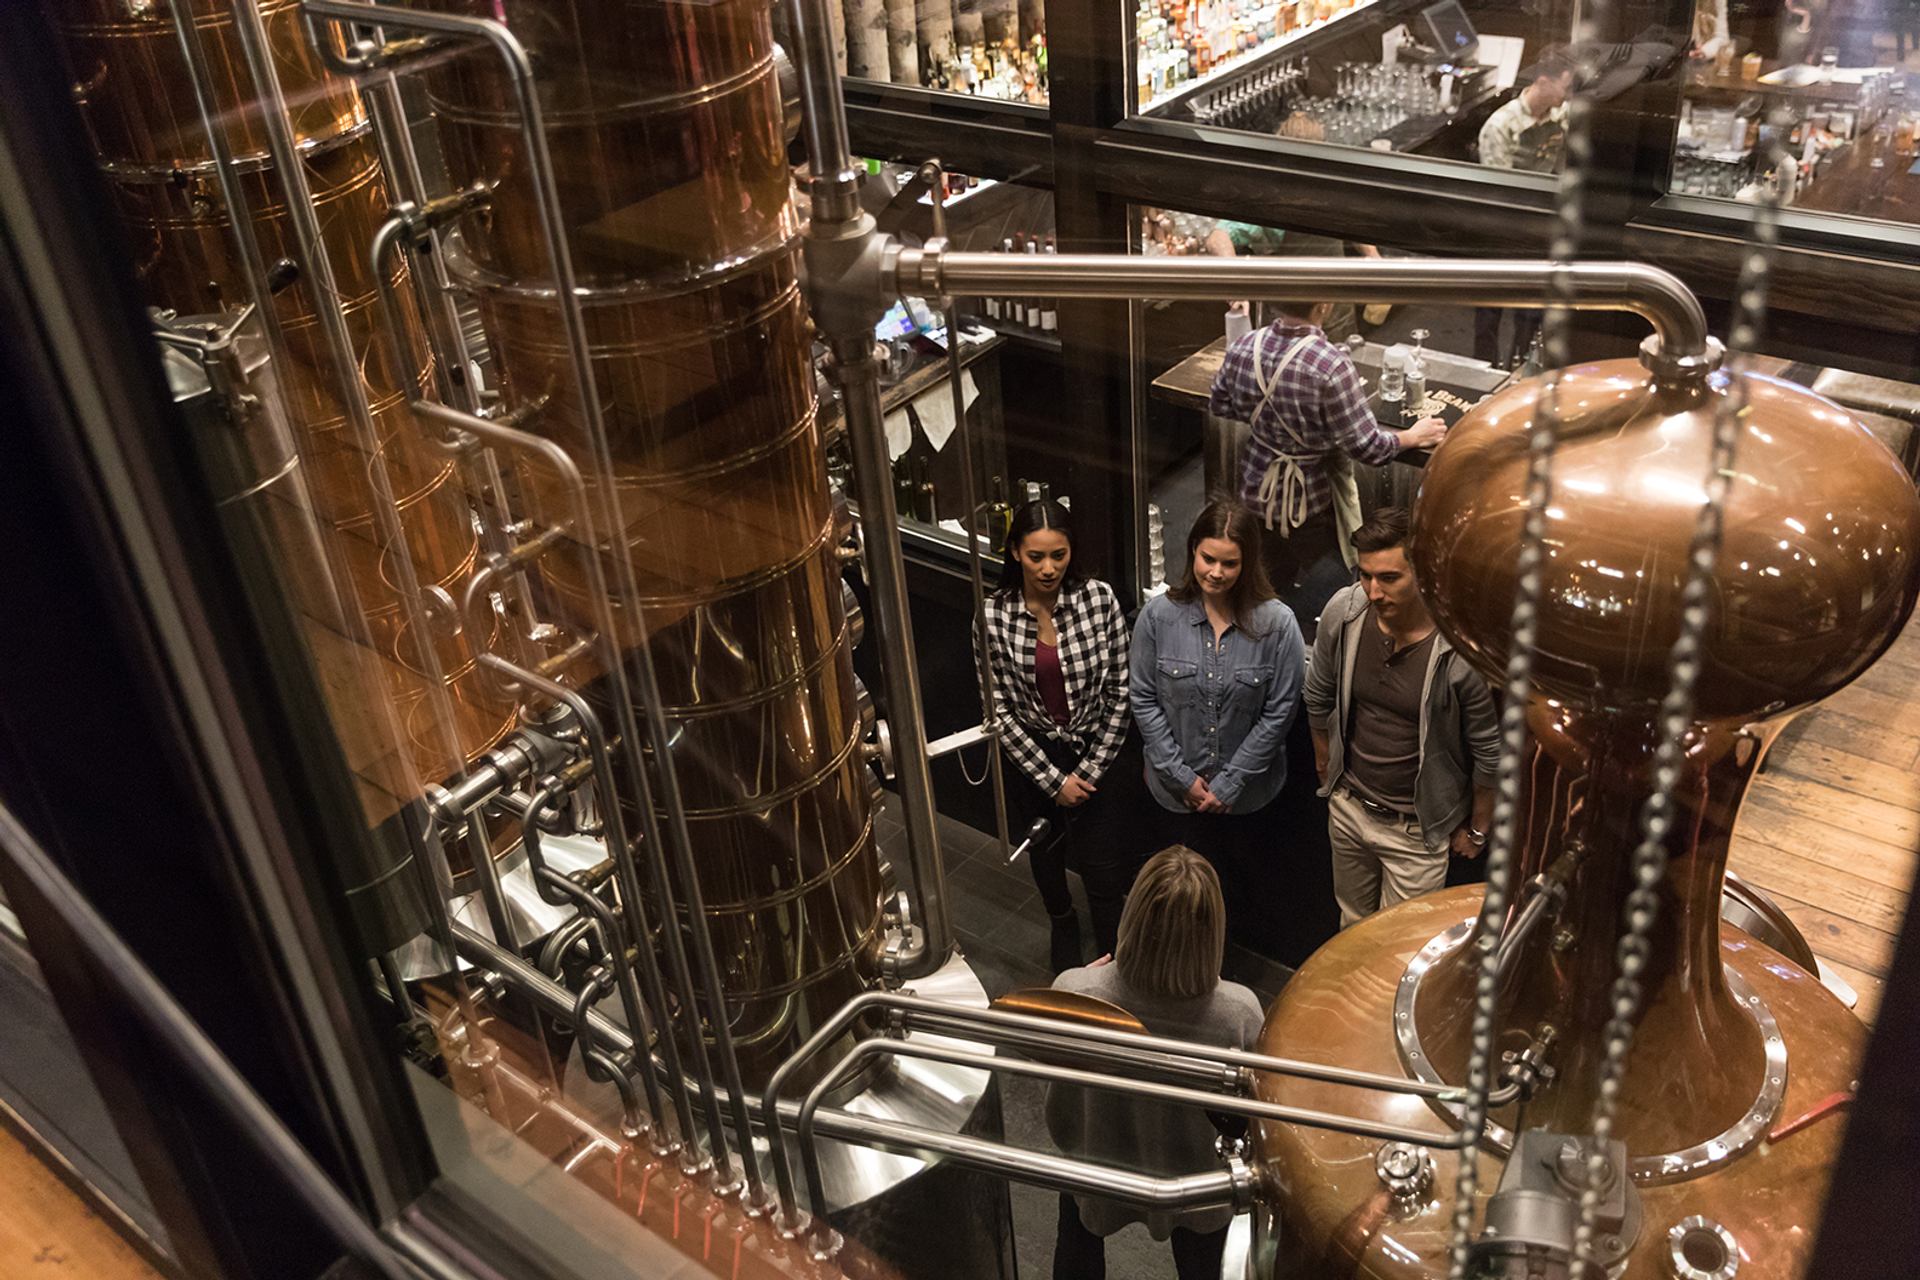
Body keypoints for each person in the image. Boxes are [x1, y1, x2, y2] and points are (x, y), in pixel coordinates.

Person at [1046, 845, 1265, 1280]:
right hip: (1197, 1181)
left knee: (1077, 1249)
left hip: (1097, 1160)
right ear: (1214, 927)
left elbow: (1056, 1088)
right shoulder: (1239, 1013)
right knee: (1204, 1267)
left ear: (1134, 913)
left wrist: (1073, 991)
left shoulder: (1075, 993)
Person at [1304, 508, 1501, 928]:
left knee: (1399, 949)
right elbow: (1317, 692)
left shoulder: (1456, 649)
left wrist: (1480, 827)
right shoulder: (1346, 611)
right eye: (1365, 575)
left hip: (1415, 831)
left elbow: (1489, 751)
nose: (1373, 591)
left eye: (1389, 578)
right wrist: (1326, 765)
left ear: (1424, 571)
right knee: (1350, 932)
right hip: (1350, 808)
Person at [1208, 299, 1447, 632]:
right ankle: (1306, 637)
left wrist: (1271, 429)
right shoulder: (1331, 363)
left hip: (1255, 493)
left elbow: (1220, 402)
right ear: (1323, 306)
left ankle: (1264, 635)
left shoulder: (1246, 345)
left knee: (1262, 583)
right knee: (1335, 584)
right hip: (1311, 503)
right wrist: (1410, 437)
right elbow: (1366, 446)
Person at [1130, 501, 1303, 944]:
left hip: (1246, 800)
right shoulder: (1158, 617)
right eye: (1208, 559)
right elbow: (1144, 698)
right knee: (1176, 907)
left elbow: (1280, 710)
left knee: (1236, 901)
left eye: (1230, 563)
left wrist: (1230, 783)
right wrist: (1180, 775)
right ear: (1192, 552)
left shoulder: (1278, 624)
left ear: (1248, 563)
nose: (1217, 572)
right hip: (1174, 796)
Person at [980, 498, 1142, 971]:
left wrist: (1087, 772)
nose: (1048, 568)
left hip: (1098, 751)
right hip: (1034, 753)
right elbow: (998, 710)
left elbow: (1121, 691)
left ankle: (1114, 958)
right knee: (1046, 856)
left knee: (1104, 867)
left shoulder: (1099, 598)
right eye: (1036, 556)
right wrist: (1053, 781)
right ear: (1014, 553)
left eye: (1059, 555)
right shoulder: (992, 616)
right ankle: (1064, 923)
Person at [1475, 55, 1574, 365]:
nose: (1566, 95)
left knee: (1531, 313)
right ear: (1543, 82)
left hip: (1539, 230)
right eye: (1564, 87)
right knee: (1489, 311)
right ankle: (1483, 371)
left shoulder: (1561, 117)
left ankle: (1523, 367)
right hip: (1500, 228)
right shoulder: (1501, 126)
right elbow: (1498, 189)